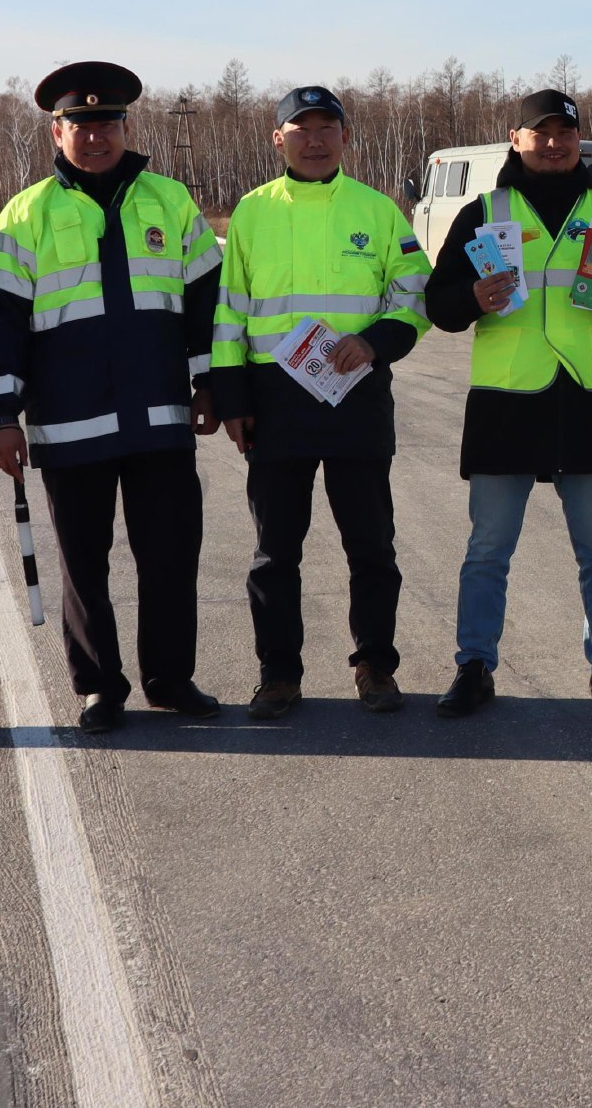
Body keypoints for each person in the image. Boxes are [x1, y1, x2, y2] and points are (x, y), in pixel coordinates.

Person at [0, 62, 223, 734]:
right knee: (85, 566)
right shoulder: (23, 215)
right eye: (79, 124)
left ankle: (170, 678)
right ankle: (98, 687)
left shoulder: (170, 202)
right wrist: (3, 417)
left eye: (106, 122)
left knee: (171, 557)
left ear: (125, 127)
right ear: (57, 131)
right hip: (68, 425)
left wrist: (208, 382)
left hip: (161, 420)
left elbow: (206, 306)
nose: (95, 135)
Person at [421, 90, 592, 716]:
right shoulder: (485, 212)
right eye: (541, 133)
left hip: (588, 400)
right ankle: (474, 666)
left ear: (579, 140)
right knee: (487, 550)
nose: (554, 143)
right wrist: (473, 297)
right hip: (507, 403)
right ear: (516, 138)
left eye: (565, 132)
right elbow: (438, 307)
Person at [211, 86, 431, 718]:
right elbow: (230, 311)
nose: (314, 140)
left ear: (345, 138)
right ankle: (278, 675)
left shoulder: (379, 210)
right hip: (275, 401)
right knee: (275, 551)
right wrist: (233, 397)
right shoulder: (251, 212)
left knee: (371, 546)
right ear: (278, 139)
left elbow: (414, 295)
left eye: (326, 128)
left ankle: (375, 666)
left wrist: (374, 342)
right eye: (299, 130)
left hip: (355, 392)